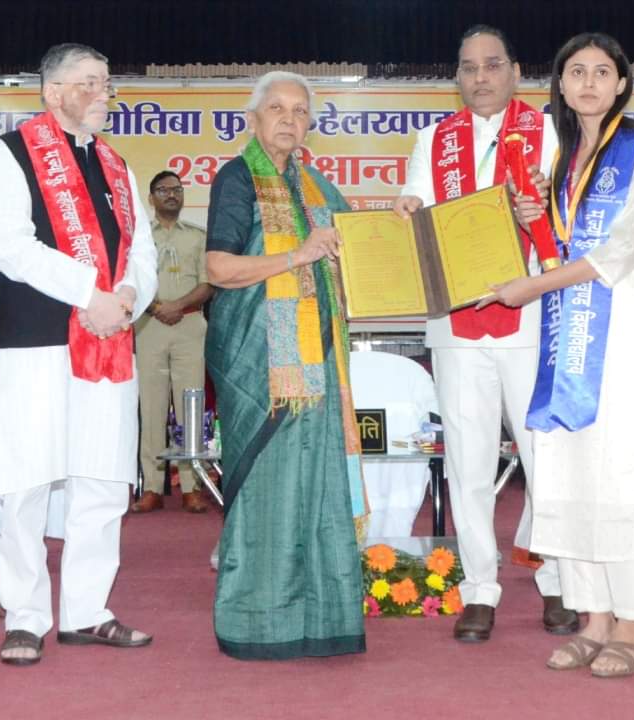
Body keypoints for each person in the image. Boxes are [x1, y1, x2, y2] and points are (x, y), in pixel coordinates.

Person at [484, 33, 634, 678]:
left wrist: (531, 285)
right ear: (560, 86)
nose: (589, 82)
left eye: (601, 71)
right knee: (570, 471)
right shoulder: (562, 158)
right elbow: (553, 248)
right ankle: (593, 617)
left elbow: (621, 251)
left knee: (622, 473)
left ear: (622, 83)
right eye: (576, 72)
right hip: (568, 333)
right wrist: (529, 218)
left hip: (623, 335)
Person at [0, 42, 157, 666]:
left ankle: (86, 612)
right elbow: (9, 246)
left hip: (108, 344)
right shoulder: (9, 153)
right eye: (90, 83)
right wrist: (91, 293)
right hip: (36, 345)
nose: (104, 94)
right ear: (53, 93)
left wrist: (129, 294)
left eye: (106, 83)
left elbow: (143, 250)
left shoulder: (116, 164)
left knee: (103, 482)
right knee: (26, 485)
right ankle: (24, 618)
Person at [394, 24, 571, 643]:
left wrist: (544, 208)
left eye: (491, 65)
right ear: (457, 77)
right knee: (467, 465)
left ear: (516, 72)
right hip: (456, 322)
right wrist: (406, 211)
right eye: (468, 67)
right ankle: (479, 589)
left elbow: (574, 220)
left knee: (543, 457)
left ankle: (555, 581)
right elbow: (413, 207)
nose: (479, 77)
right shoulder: (431, 141)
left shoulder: (551, 132)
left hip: (529, 316)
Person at [205, 71, 366, 660]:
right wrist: (296, 254)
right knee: (270, 489)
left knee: (319, 485)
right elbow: (218, 268)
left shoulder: (319, 187)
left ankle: (321, 619)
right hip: (259, 365)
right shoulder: (237, 177)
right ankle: (258, 623)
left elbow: (359, 247)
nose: (289, 120)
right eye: (276, 108)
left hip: (318, 362)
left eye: (300, 111)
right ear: (253, 118)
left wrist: (398, 219)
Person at [133, 170, 213, 514]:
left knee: (189, 406)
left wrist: (177, 306)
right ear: (151, 199)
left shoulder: (197, 237)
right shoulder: (138, 238)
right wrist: (156, 308)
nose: (171, 195)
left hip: (189, 324)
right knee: (150, 408)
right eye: (163, 190)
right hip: (148, 325)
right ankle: (151, 486)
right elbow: (129, 280)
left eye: (177, 190)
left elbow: (210, 282)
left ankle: (191, 485)